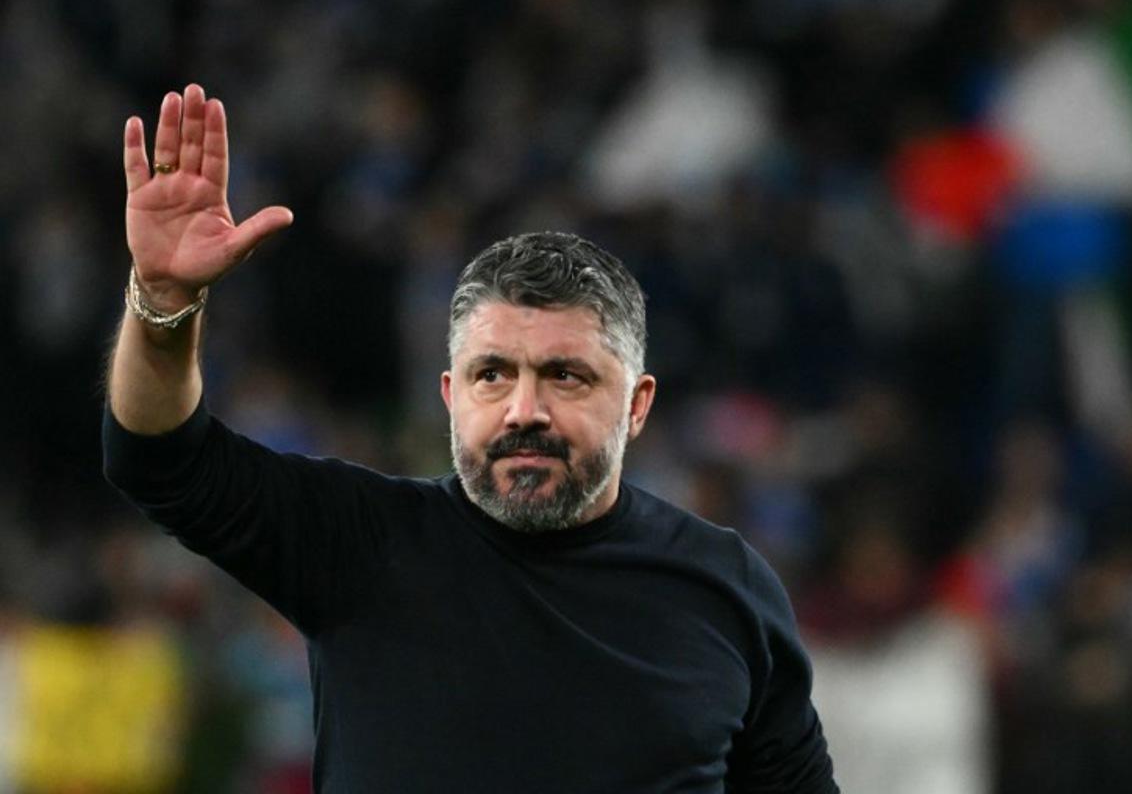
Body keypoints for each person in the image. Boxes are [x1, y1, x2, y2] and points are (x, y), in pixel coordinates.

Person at [104, 83, 839, 793]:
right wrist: (165, 304)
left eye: (565, 376)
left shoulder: (727, 589)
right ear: (452, 396)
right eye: (493, 374)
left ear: (638, 404)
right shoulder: (360, 543)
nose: (525, 410)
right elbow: (159, 457)